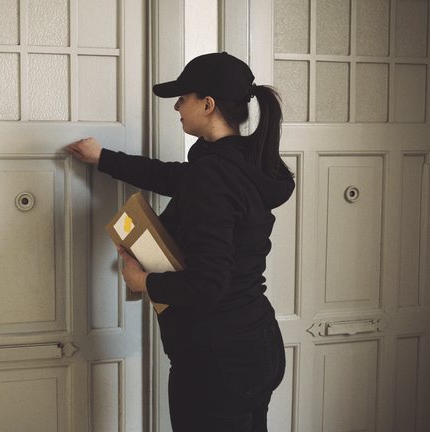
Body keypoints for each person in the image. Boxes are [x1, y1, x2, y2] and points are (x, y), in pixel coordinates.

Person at [67, 52, 294, 432]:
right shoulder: (243, 163)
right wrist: (103, 157)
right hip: (258, 342)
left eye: (183, 98)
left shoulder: (215, 174)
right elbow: (171, 176)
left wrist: (142, 282)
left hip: (217, 359)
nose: (176, 106)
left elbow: (208, 284)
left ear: (208, 105)